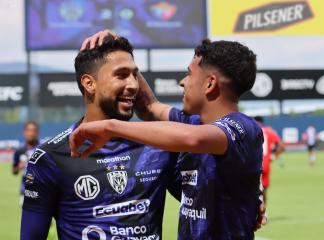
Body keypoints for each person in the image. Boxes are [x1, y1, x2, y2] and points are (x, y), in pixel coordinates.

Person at [71, 37, 264, 239]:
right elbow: (148, 107)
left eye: (189, 74)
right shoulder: (193, 122)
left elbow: (193, 139)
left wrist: (109, 127)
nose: (183, 81)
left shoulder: (243, 128)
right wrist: (118, 47)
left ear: (210, 84)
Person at [21, 36, 182, 240]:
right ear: (89, 83)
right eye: (122, 75)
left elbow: (201, 203)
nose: (134, 85)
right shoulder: (50, 157)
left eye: (135, 75)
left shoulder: (157, 145)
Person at [254, 116, 284, 205]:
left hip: (253, 164)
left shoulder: (251, 131)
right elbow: (282, 146)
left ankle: (254, 214)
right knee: (264, 190)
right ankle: (263, 213)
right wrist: (274, 157)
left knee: (251, 190)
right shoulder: (269, 132)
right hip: (266, 164)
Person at [12, 121, 39, 206]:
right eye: (28, 130)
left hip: (42, 189)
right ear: (24, 132)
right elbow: (14, 171)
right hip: (25, 189)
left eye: (33, 130)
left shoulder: (42, 148)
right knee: (27, 217)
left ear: (37, 132)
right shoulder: (19, 151)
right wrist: (18, 167)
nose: (31, 133)